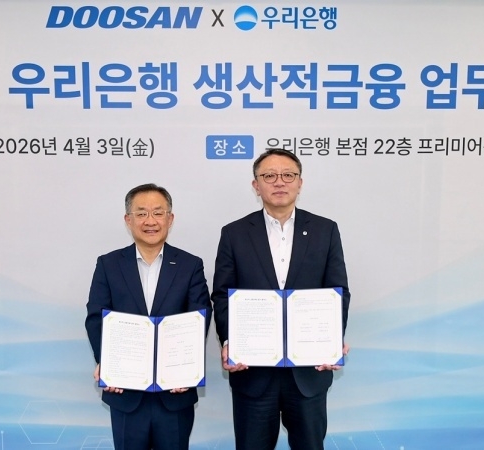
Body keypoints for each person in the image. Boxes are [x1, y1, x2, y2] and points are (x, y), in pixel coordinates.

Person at [211, 148, 351, 450]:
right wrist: (229, 341)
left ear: (300, 183)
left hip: (308, 371)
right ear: (256, 185)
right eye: (269, 176)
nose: (279, 182)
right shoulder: (234, 233)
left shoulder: (325, 230)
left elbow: (337, 290)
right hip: (252, 370)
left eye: (288, 175)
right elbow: (222, 294)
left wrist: (331, 339)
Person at [85, 183, 212, 450]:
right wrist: (107, 363)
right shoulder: (108, 264)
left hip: (175, 393)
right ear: (128, 220)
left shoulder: (190, 265)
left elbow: (199, 316)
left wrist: (185, 369)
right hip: (125, 393)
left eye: (158, 212)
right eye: (141, 213)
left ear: (170, 218)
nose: (150, 221)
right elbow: (97, 317)